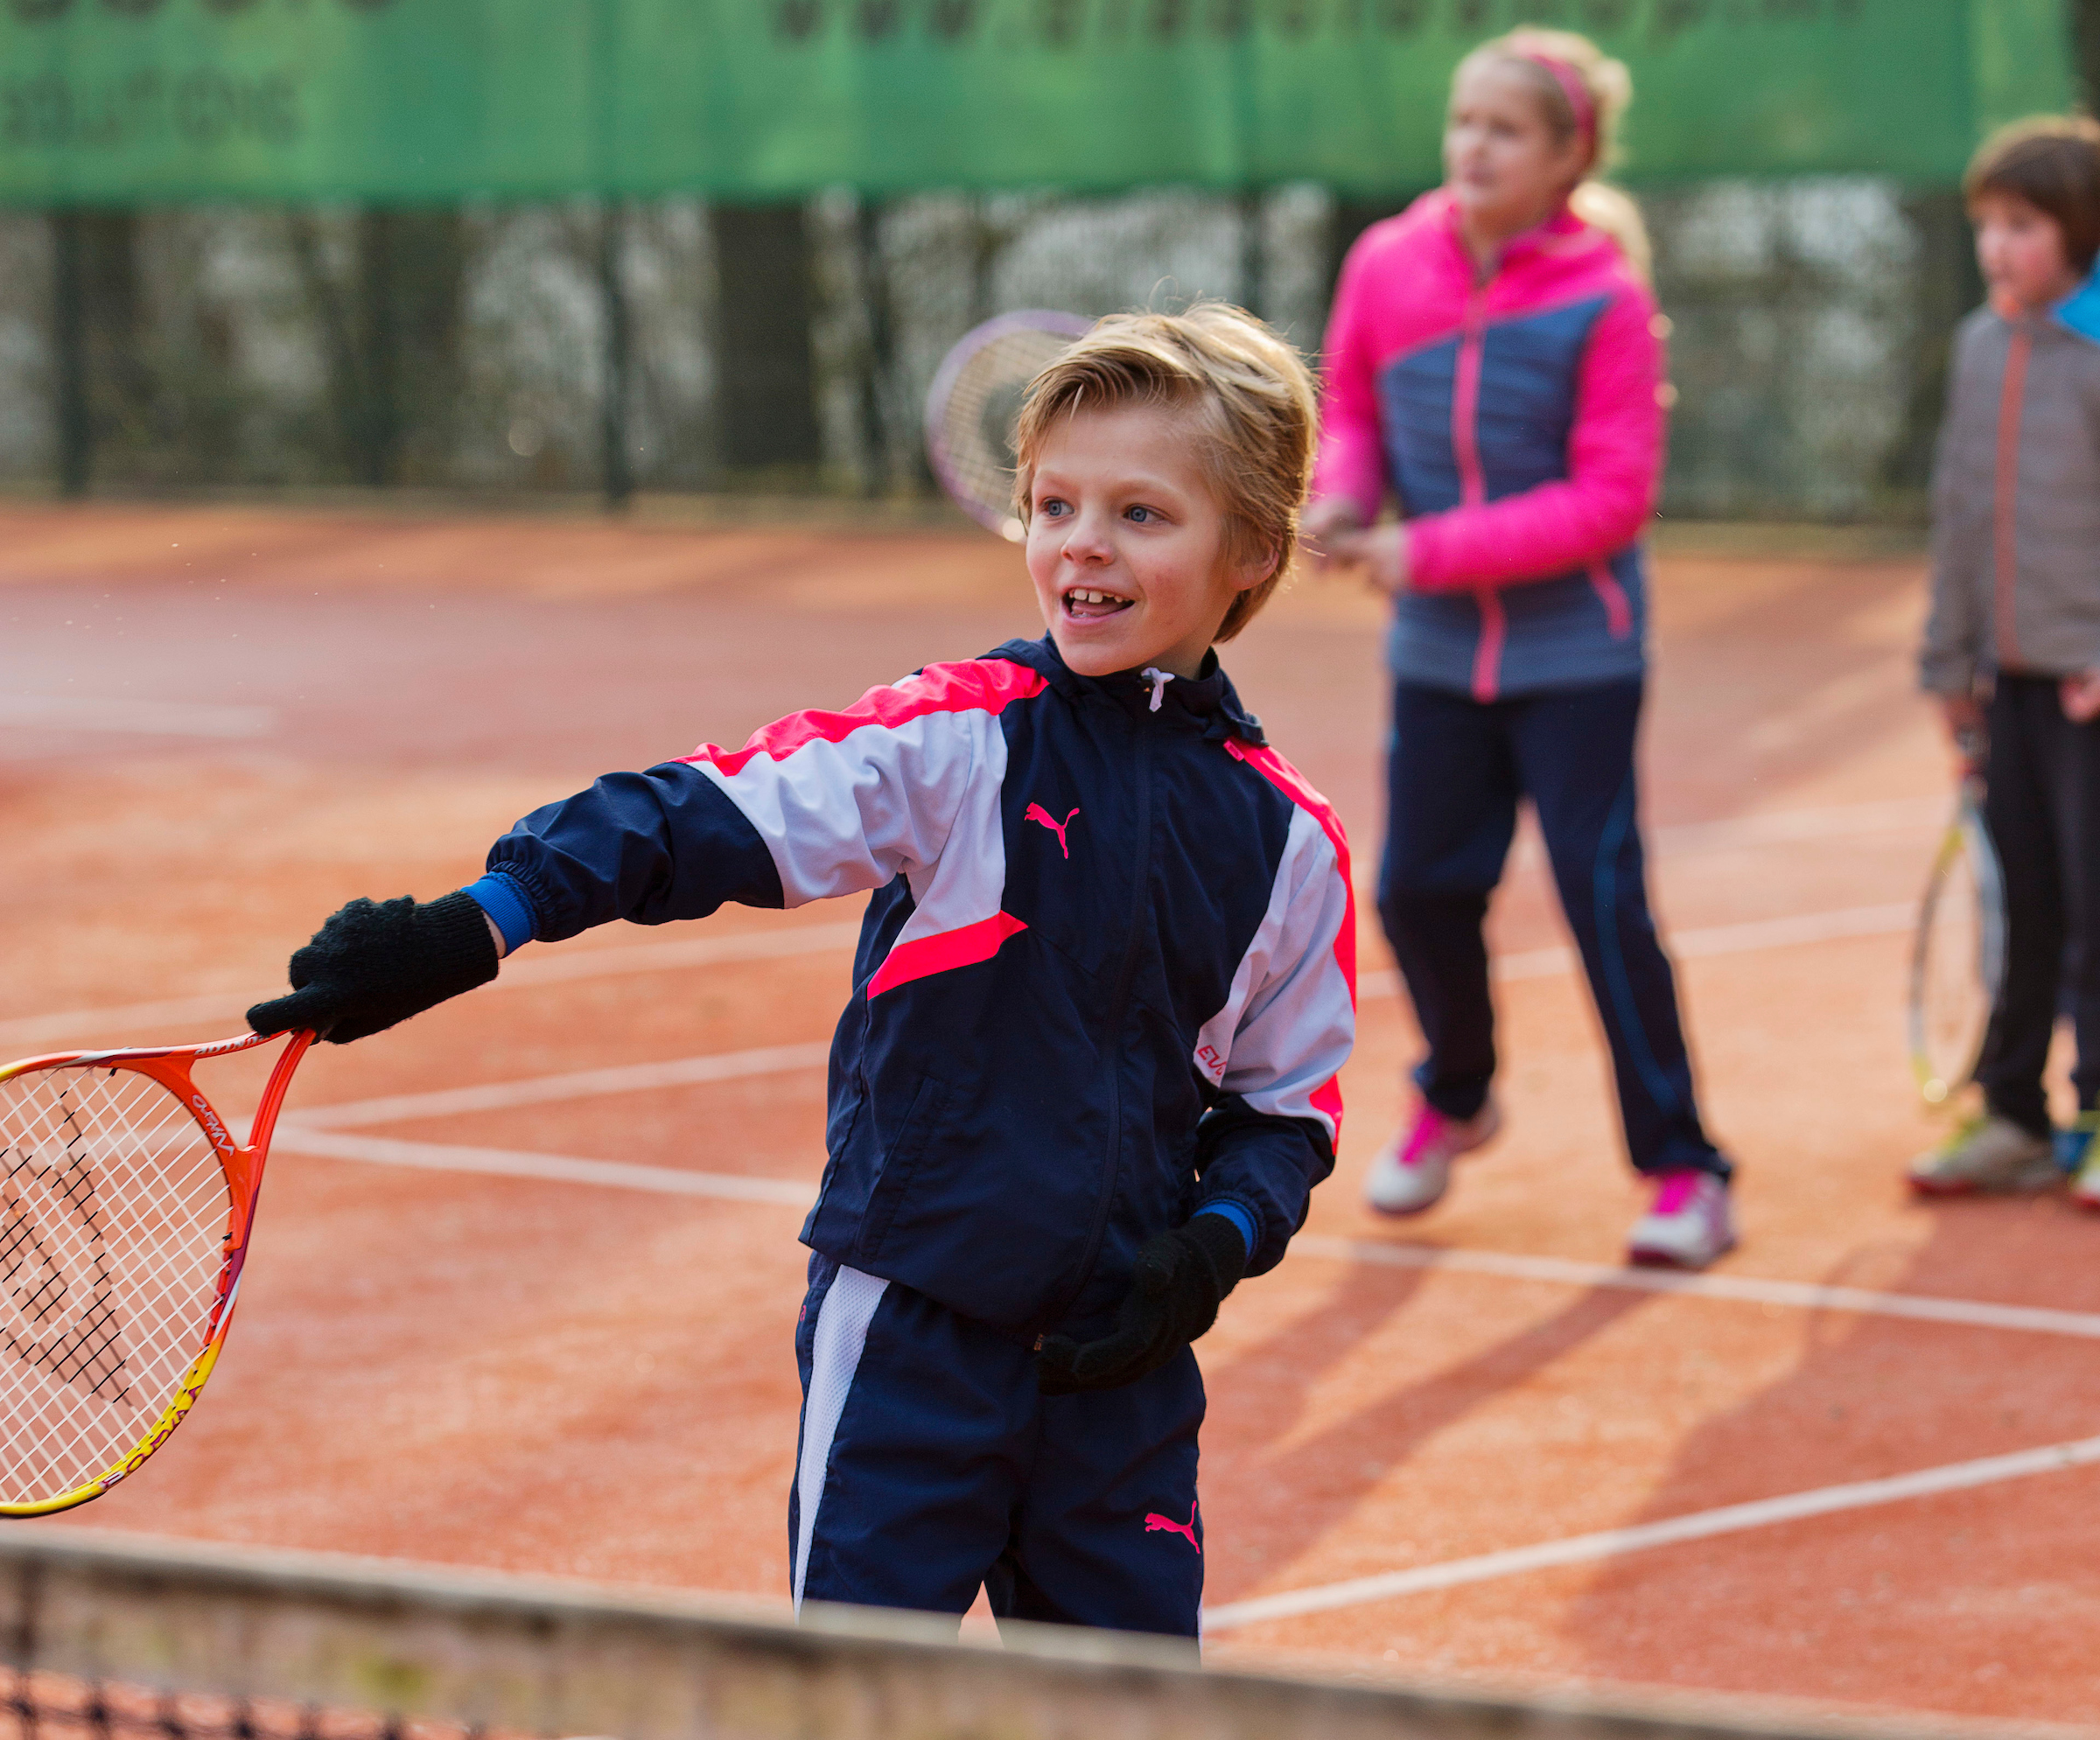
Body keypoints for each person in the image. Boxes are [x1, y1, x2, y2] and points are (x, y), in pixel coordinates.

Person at [246, 305, 1356, 1640]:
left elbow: (1286, 1110)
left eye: (1141, 514)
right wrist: (482, 919)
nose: (1081, 544)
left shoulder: (1292, 841)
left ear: (1255, 550)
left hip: (1125, 1374)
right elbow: (706, 809)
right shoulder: (959, 739)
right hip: (910, 1343)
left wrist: (1213, 1248)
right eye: (1054, 504)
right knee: (844, 1703)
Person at [1302, 27, 1735, 1268]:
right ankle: (1457, 1092)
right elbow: (1356, 409)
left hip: (1578, 659)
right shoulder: (1387, 261)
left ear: (1566, 159)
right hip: (1438, 658)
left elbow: (1611, 500)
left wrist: (1423, 549)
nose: (1474, 147)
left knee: (1602, 901)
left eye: (1505, 130)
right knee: (1417, 892)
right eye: (1464, 122)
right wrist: (1343, 495)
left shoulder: (1608, 298)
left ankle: (1685, 1170)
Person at [1910, 117, 2100, 1208]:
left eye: (2022, 224)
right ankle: (2016, 1115)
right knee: (2023, 906)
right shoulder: (1983, 348)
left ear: (2078, 229)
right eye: (1986, 223)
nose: (1996, 245)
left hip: (2086, 687)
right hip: (2007, 684)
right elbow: (1959, 514)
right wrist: (1947, 665)